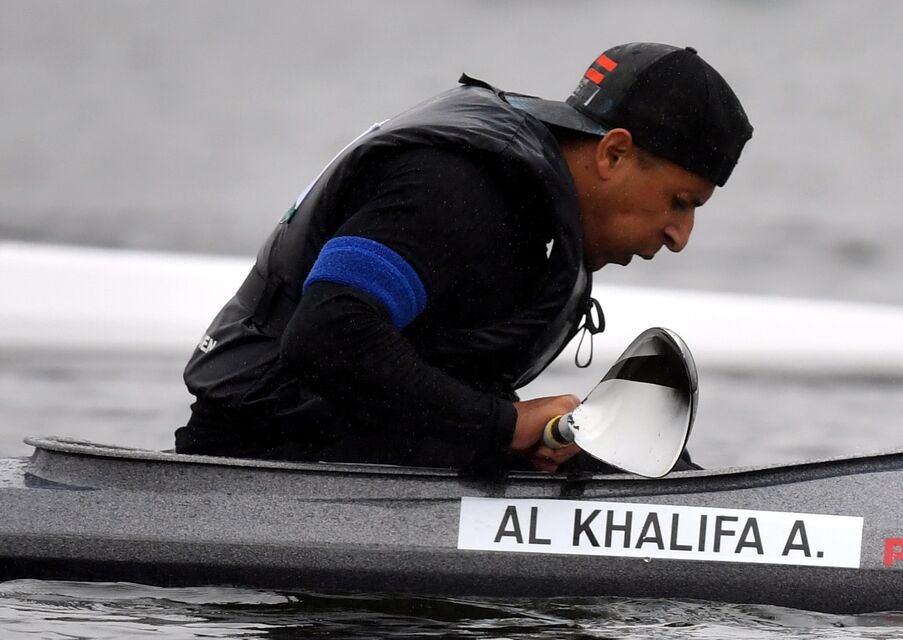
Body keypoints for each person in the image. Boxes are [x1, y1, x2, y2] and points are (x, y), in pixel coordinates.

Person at [175, 43, 751, 475]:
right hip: (259, 460)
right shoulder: (458, 186)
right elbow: (328, 334)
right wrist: (503, 427)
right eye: (679, 203)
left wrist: (530, 436)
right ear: (614, 152)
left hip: (356, 452)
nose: (680, 236)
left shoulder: (531, 205)